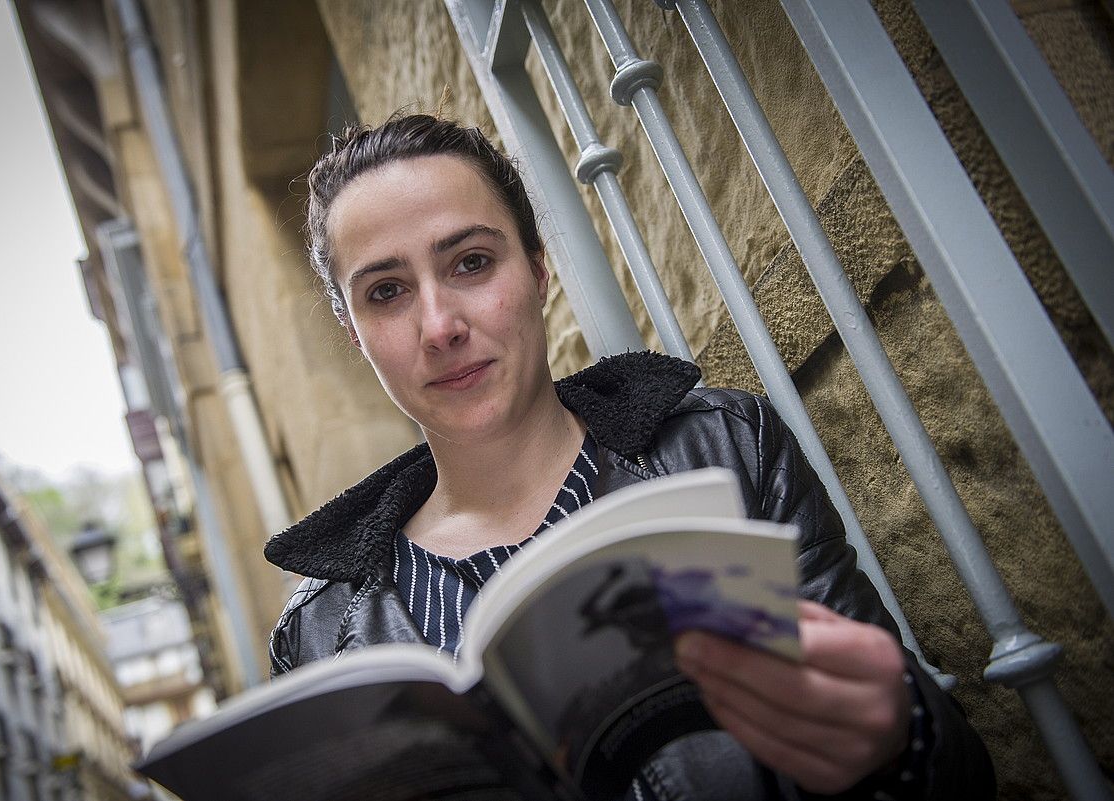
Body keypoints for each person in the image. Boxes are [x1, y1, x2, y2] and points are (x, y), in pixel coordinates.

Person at [264, 113, 994, 800]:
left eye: (471, 261)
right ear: (354, 332)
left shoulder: (722, 450)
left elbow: (949, 775)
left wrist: (899, 735)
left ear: (538, 273)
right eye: (386, 291)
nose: (439, 325)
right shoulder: (323, 636)